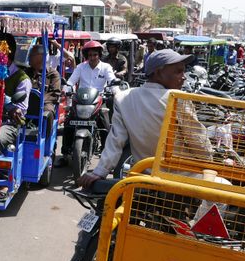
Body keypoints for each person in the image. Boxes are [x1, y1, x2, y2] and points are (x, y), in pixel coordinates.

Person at [76, 49, 211, 188]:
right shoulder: (178, 98)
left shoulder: (123, 98)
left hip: (145, 177)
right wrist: (212, 162)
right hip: (183, 179)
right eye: (178, 71)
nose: (183, 77)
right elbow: (200, 145)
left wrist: (99, 171)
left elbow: (115, 141)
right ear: (158, 72)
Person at [56, 41, 116, 167]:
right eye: (90, 55)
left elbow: (112, 81)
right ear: (86, 56)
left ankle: (107, 159)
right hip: (80, 102)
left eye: (95, 54)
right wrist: (66, 89)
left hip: (99, 101)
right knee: (68, 124)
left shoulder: (106, 67)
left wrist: (115, 90)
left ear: (99, 54)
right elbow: (71, 81)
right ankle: (65, 155)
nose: (92, 57)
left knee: (105, 126)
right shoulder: (81, 67)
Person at [0, 32, 31, 156]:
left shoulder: (22, 79)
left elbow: (20, 111)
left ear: (5, 51)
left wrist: (5, 100)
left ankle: (2, 173)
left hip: (9, 123)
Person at [25, 44, 61, 140]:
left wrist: (40, 99)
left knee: (48, 112)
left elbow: (55, 93)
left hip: (44, 104)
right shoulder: (26, 72)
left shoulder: (53, 74)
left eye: (31, 56)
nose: (29, 58)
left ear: (40, 57)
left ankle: (46, 140)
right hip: (26, 102)